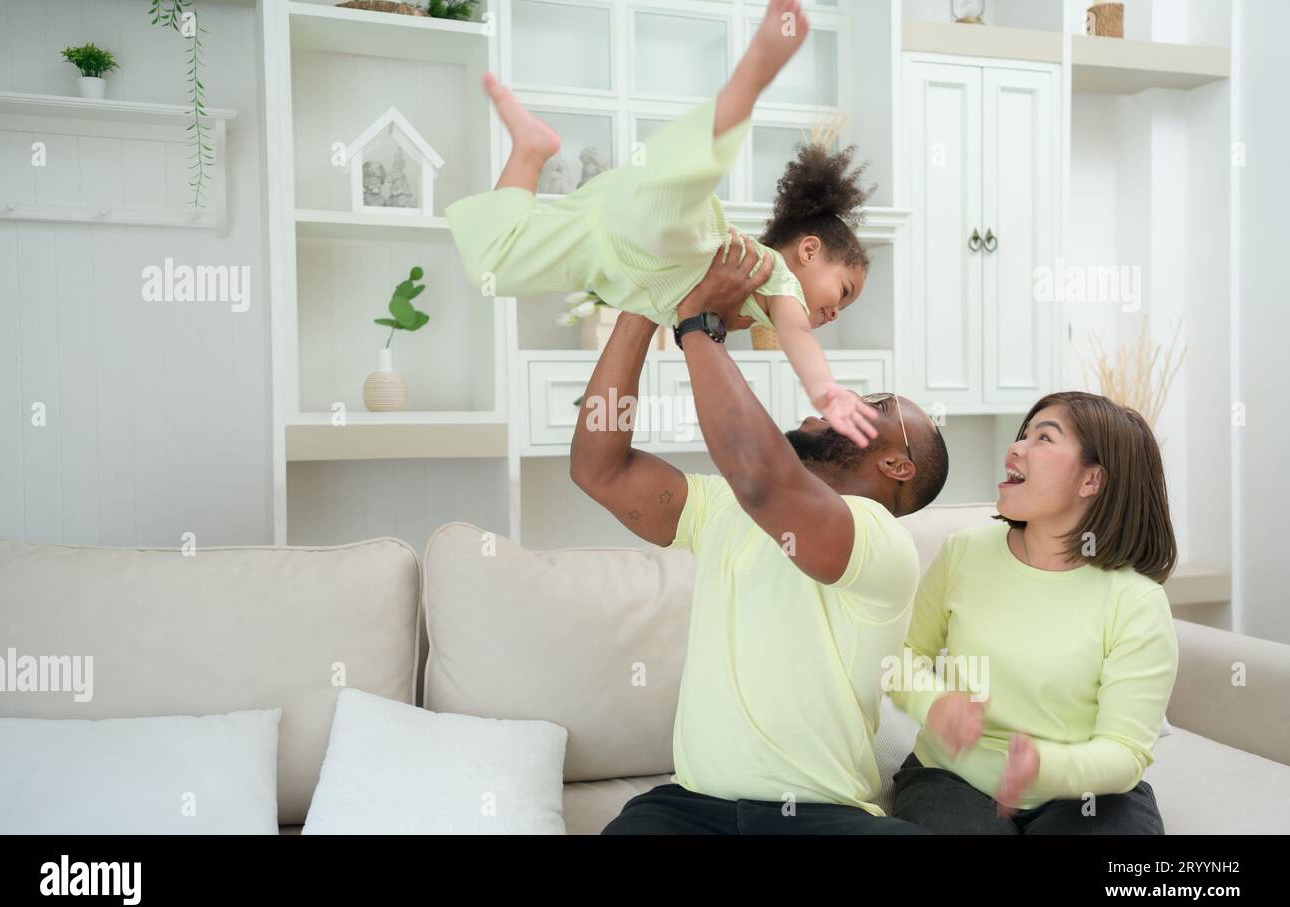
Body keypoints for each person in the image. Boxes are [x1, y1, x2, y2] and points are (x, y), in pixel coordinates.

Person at [570, 229, 950, 834]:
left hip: (826, 820)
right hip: (689, 811)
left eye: (874, 403)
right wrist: (646, 305)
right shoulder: (722, 505)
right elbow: (599, 468)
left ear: (896, 466)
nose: (844, 396)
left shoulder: (882, 542)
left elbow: (764, 480)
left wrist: (698, 326)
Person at [446, 0, 880, 445]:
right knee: (688, 170)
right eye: (842, 292)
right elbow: (798, 335)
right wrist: (824, 390)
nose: (832, 312)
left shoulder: (748, 313)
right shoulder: (777, 278)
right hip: (672, 239)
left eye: (840, 312)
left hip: (611, 256)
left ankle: (530, 150)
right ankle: (755, 72)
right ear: (808, 251)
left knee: (493, 263)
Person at [888, 392, 1179, 834]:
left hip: (1087, 794)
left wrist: (1042, 766)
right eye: (1023, 434)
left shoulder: (1136, 601)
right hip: (953, 779)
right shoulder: (964, 554)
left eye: (1044, 437)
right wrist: (934, 703)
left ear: (1091, 481)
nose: (1016, 447)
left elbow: (1124, 752)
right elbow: (901, 656)